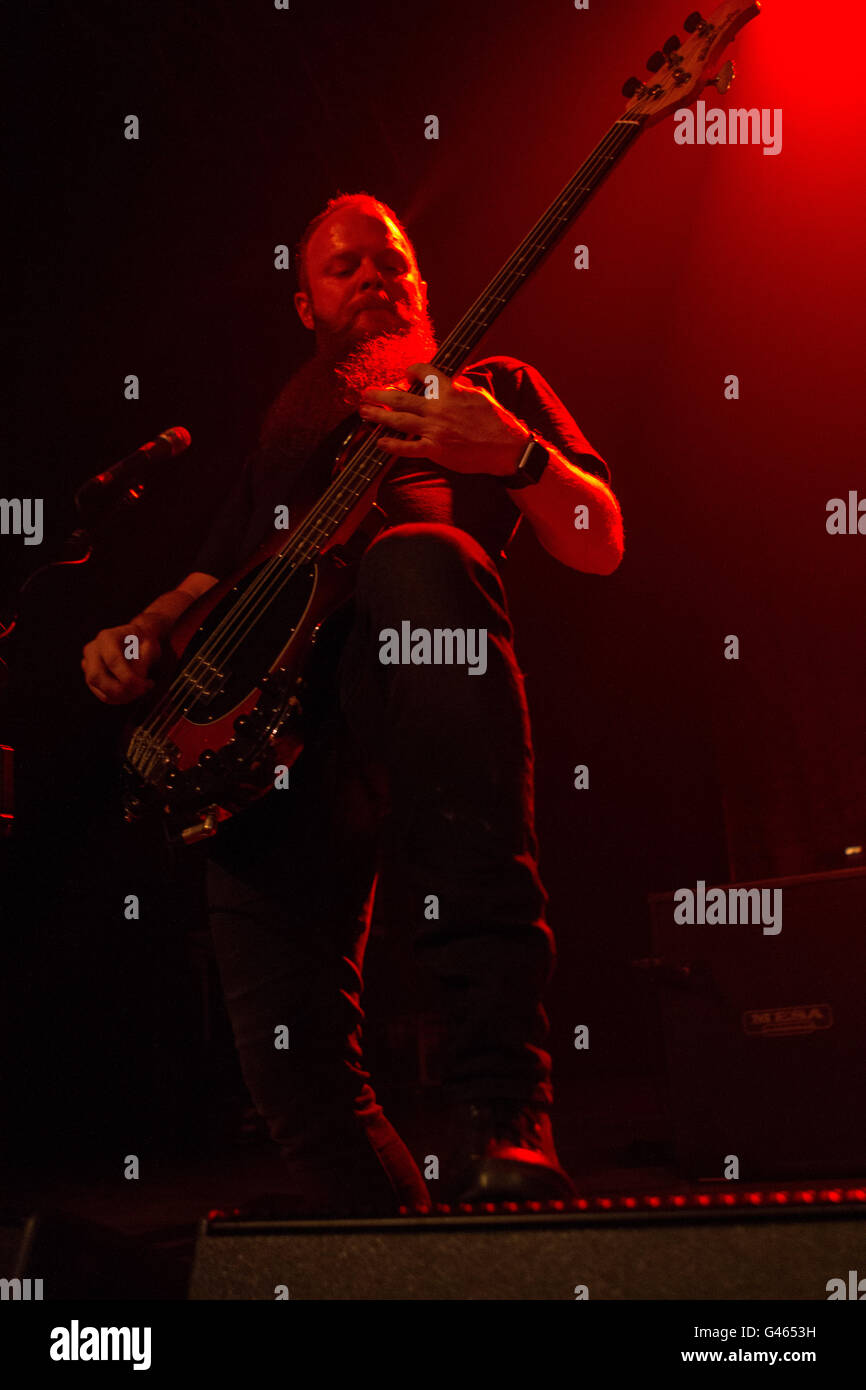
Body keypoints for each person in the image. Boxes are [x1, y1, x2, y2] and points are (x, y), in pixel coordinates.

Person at [81, 192, 624, 1215]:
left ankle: (499, 1104)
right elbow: (205, 585)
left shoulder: (486, 385)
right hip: (271, 735)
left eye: (393, 261)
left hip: (414, 673)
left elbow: (599, 540)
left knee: (421, 557)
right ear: (305, 306)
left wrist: (513, 454)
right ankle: (416, 1274)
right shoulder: (283, 430)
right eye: (345, 267)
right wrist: (136, 634)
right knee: (297, 1088)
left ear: (423, 288)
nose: (374, 275)